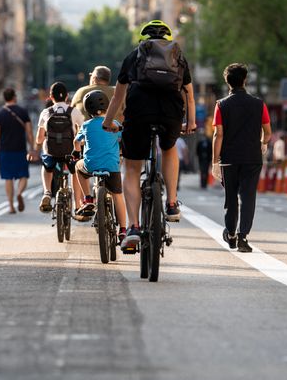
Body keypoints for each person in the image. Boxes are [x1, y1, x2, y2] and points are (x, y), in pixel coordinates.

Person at [103, 20, 196, 250]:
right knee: (169, 147)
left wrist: (107, 122)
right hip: (171, 114)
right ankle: (172, 203)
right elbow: (189, 95)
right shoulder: (178, 56)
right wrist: (191, 123)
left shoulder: (134, 56)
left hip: (140, 113)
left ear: (143, 38)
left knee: (132, 168)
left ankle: (133, 227)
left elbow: (117, 97)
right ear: (167, 38)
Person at [211, 64, 271, 253]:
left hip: (229, 159)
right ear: (245, 80)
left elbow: (218, 135)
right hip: (252, 158)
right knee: (248, 197)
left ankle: (230, 234)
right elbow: (267, 132)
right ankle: (243, 236)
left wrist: (215, 161)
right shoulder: (259, 104)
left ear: (227, 82)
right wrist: (263, 143)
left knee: (231, 198)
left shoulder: (221, 105)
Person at [73, 90, 128, 241]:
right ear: (108, 106)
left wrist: (77, 153)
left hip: (91, 165)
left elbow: (76, 142)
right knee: (117, 195)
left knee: (78, 167)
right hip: (112, 166)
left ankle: (88, 198)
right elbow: (121, 140)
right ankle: (123, 229)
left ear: (87, 109)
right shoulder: (115, 124)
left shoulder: (86, 125)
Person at [37, 82, 84, 214]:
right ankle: (77, 204)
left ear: (50, 97)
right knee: (76, 171)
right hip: (70, 153)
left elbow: (39, 139)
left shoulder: (46, 112)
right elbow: (83, 133)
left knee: (46, 166)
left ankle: (47, 192)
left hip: (51, 153)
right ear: (67, 96)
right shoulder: (74, 112)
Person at [0, 88, 37, 213]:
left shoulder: (0, 113)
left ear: (5, 98)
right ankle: (20, 193)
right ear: (14, 97)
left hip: (5, 151)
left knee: (8, 178)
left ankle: (11, 206)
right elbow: (29, 132)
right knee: (23, 176)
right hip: (20, 149)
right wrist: (32, 148)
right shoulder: (23, 112)